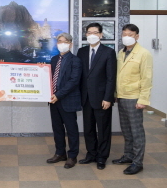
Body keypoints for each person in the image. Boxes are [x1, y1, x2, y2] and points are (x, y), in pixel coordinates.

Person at [112, 24, 153, 175]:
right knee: (126, 130)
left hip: (135, 98)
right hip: (122, 97)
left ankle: (137, 162)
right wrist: (116, 94)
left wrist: (143, 99)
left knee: (137, 132)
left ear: (137, 36)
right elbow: (119, 75)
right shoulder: (121, 53)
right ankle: (128, 155)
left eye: (130, 34)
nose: (126, 36)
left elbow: (147, 78)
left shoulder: (144, 54)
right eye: (124, 34)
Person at [77, 23, 117, 170]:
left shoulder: (108, 52)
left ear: (101, 35)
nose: (91, 35)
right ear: (86, 35)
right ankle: (91, 154)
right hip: (86, 98)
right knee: (88, 129)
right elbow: (80, 76)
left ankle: (102, 157)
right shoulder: (81, 51)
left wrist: (108, 98)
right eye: (89, 32)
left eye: (95, 32)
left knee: (103, 129)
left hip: (102, 99)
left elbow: (111, 78)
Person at [46, 33, 82, 169]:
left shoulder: (76, 60)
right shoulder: (54, 59)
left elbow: (73, 81)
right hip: (54, 101)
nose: (62, 43)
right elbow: (49, 77)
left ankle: (72, 156)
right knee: (57, 129)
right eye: (59, 41)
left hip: (67, 100)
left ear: (70, 44)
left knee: (71, 129)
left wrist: (58, 95)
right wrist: (40, 69)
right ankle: (60, 153)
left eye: (65, 41)